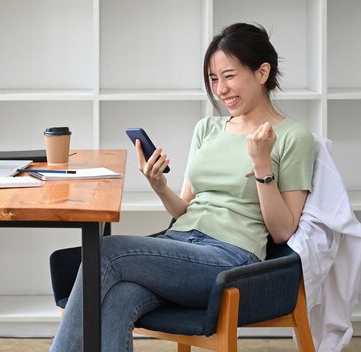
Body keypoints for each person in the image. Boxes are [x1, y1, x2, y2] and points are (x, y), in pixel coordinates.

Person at [50, 22, 315, 352]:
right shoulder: (207, 128)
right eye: (214, 79)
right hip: (181, 246)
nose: (220, 89)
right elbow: (183, 210)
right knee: (118, 297)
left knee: (105, 252)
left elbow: (283, 232)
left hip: (231, 260)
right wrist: (159, 184)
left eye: (229, 76)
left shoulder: (292, 137)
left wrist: (262, 165)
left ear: (262, 72)